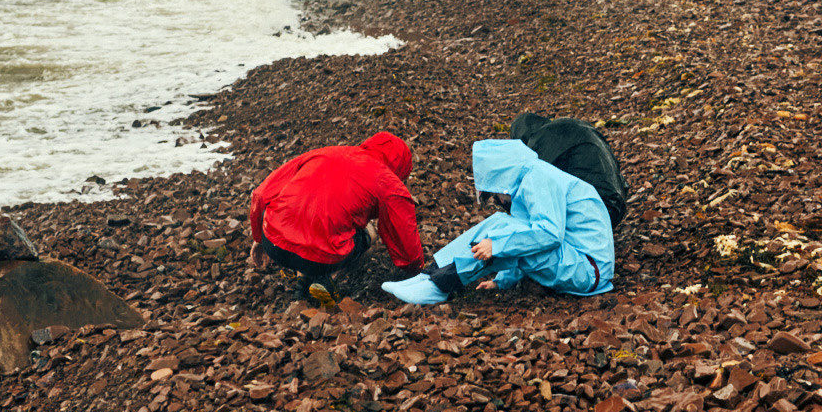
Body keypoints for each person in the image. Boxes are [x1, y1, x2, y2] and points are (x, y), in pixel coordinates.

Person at [382, 138, 614, 305]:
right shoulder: (532, 179)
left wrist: (497, 246)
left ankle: (438, 285)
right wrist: (503, 280)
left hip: (588, 270)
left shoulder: (538, 178)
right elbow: (531, 244)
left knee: (502, 227)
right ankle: (430, 277)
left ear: (501, 177)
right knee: (504, 227)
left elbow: (549, 235)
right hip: (578, 263)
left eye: (494, 194)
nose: (498, 199)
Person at [247, 131, 423, 300]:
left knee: (306, 225)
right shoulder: (388, 181)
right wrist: (417, 271)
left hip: (274, 244)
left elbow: (261, 194)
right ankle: (327, 277)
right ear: (401, 169)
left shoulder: (324, 153)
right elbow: (402, 233)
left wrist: (259, 238)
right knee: (367, 232)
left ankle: (302, 283)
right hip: (321, 258)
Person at [509, 111, 629, 227]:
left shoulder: (542, 138)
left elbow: (536, 185)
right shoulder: (575, 125)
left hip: (595, 211)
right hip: (617, 205)